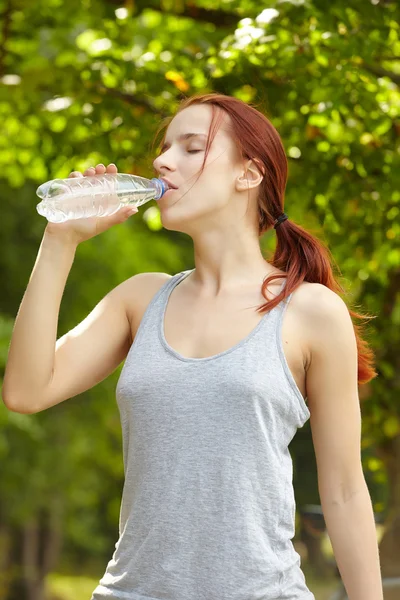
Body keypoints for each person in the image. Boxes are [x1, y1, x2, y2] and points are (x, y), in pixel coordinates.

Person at [2, 93, 383, 600]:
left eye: (191, 148)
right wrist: (60, 241)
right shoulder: (140, 298)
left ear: (248, 174)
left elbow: (343, 491)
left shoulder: (310, 311)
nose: (162, 161)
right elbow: (26, 391)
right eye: (164, 149)